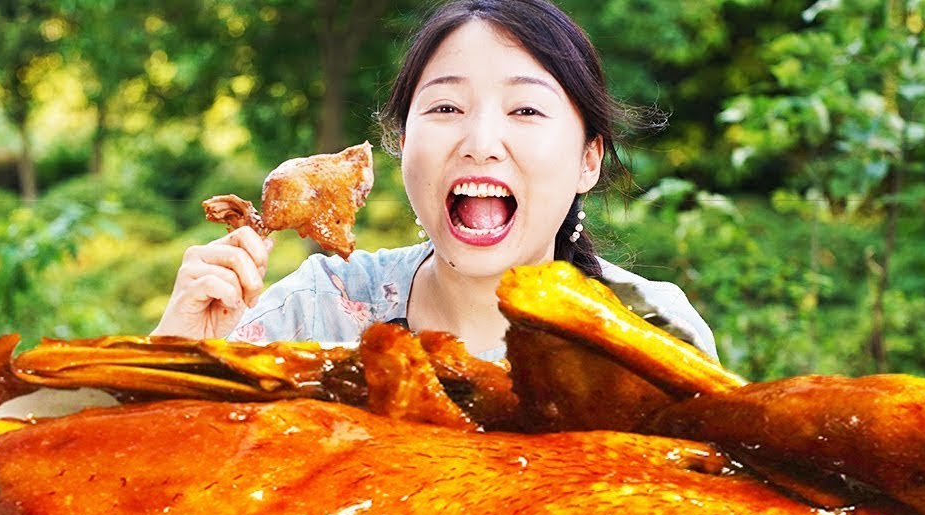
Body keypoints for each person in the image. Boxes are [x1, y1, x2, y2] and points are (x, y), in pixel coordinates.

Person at [152, 0, 716, 362]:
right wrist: (175, 351)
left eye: (525, 111)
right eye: (446, 108)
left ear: (587, 161)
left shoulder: (650, 334)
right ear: (401, 142)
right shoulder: (315, 313)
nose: (479, 141)